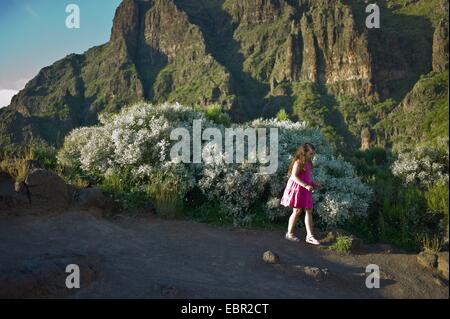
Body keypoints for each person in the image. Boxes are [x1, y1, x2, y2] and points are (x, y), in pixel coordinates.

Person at [280, 143, 322, 245]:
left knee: (308, 210)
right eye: (310, 153)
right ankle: (290, 234)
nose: (312, 156)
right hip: (298, 189)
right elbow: (294, 176)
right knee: (297, 211)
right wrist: (306, 185)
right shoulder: (298, 162)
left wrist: (313, 183)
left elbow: (306, 177)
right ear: (304, 152)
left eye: (313, 154)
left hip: (304, 188)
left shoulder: (308, 162)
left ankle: (310, 236)